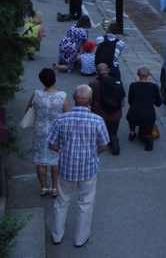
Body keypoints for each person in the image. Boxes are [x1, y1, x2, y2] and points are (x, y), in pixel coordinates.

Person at [48, 85, 109, 248]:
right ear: (90, 100)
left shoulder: (61, 119)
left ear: (74, 98)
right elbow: (104, 146)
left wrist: (66, 150)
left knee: (61, 202)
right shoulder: (97, 120)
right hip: (88, 169)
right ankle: (80, 239)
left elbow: (52, 145)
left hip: (66, 168)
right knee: (85, 203)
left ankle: (57, 236)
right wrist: (90, 152)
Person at [26, 68, 71, 197]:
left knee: (41, 160)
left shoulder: (37, 95)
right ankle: (55, 187)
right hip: (56, 132)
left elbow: (28, 111)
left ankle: (43, 187)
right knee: (55, 160)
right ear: (54, 79)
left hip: (40, 131)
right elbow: (67, 116)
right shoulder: (62, 96)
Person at [90, 63, 126, 156]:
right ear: (108, 71)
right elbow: (122, 104)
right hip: (115, 115)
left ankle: (99, 140)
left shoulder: (93, 84)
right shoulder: (118, 82)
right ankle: (113, 138)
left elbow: (90, 102)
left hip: (99, 114)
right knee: (112, 132)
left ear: (97, 72)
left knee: (99, 131)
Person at [126, 66, 162, 151]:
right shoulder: (154, 87)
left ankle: (132, 133)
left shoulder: (133, 86)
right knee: (143, 134)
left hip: (135, 114)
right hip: (148, 116)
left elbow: (130, 102)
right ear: (149, 75)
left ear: (138, 75)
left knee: (131, 113)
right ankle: (147, 137)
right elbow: (158, 103)